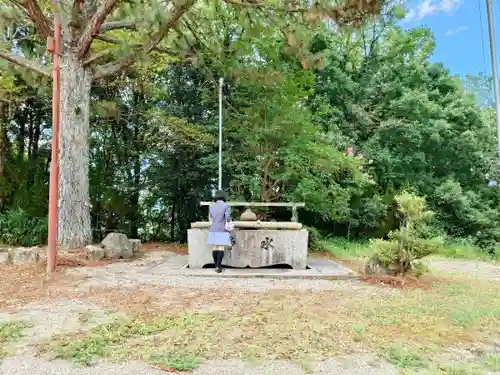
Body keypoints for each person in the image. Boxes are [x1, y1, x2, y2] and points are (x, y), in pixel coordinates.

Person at [208, 190, 232, 273]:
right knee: (221, 247)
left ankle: (216, 266)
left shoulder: (211, 206)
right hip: (222, 228)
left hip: (213, 228)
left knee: (215, 247)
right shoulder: (226, 205)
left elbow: (211, 216)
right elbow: (227, 217)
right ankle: (218, 267)